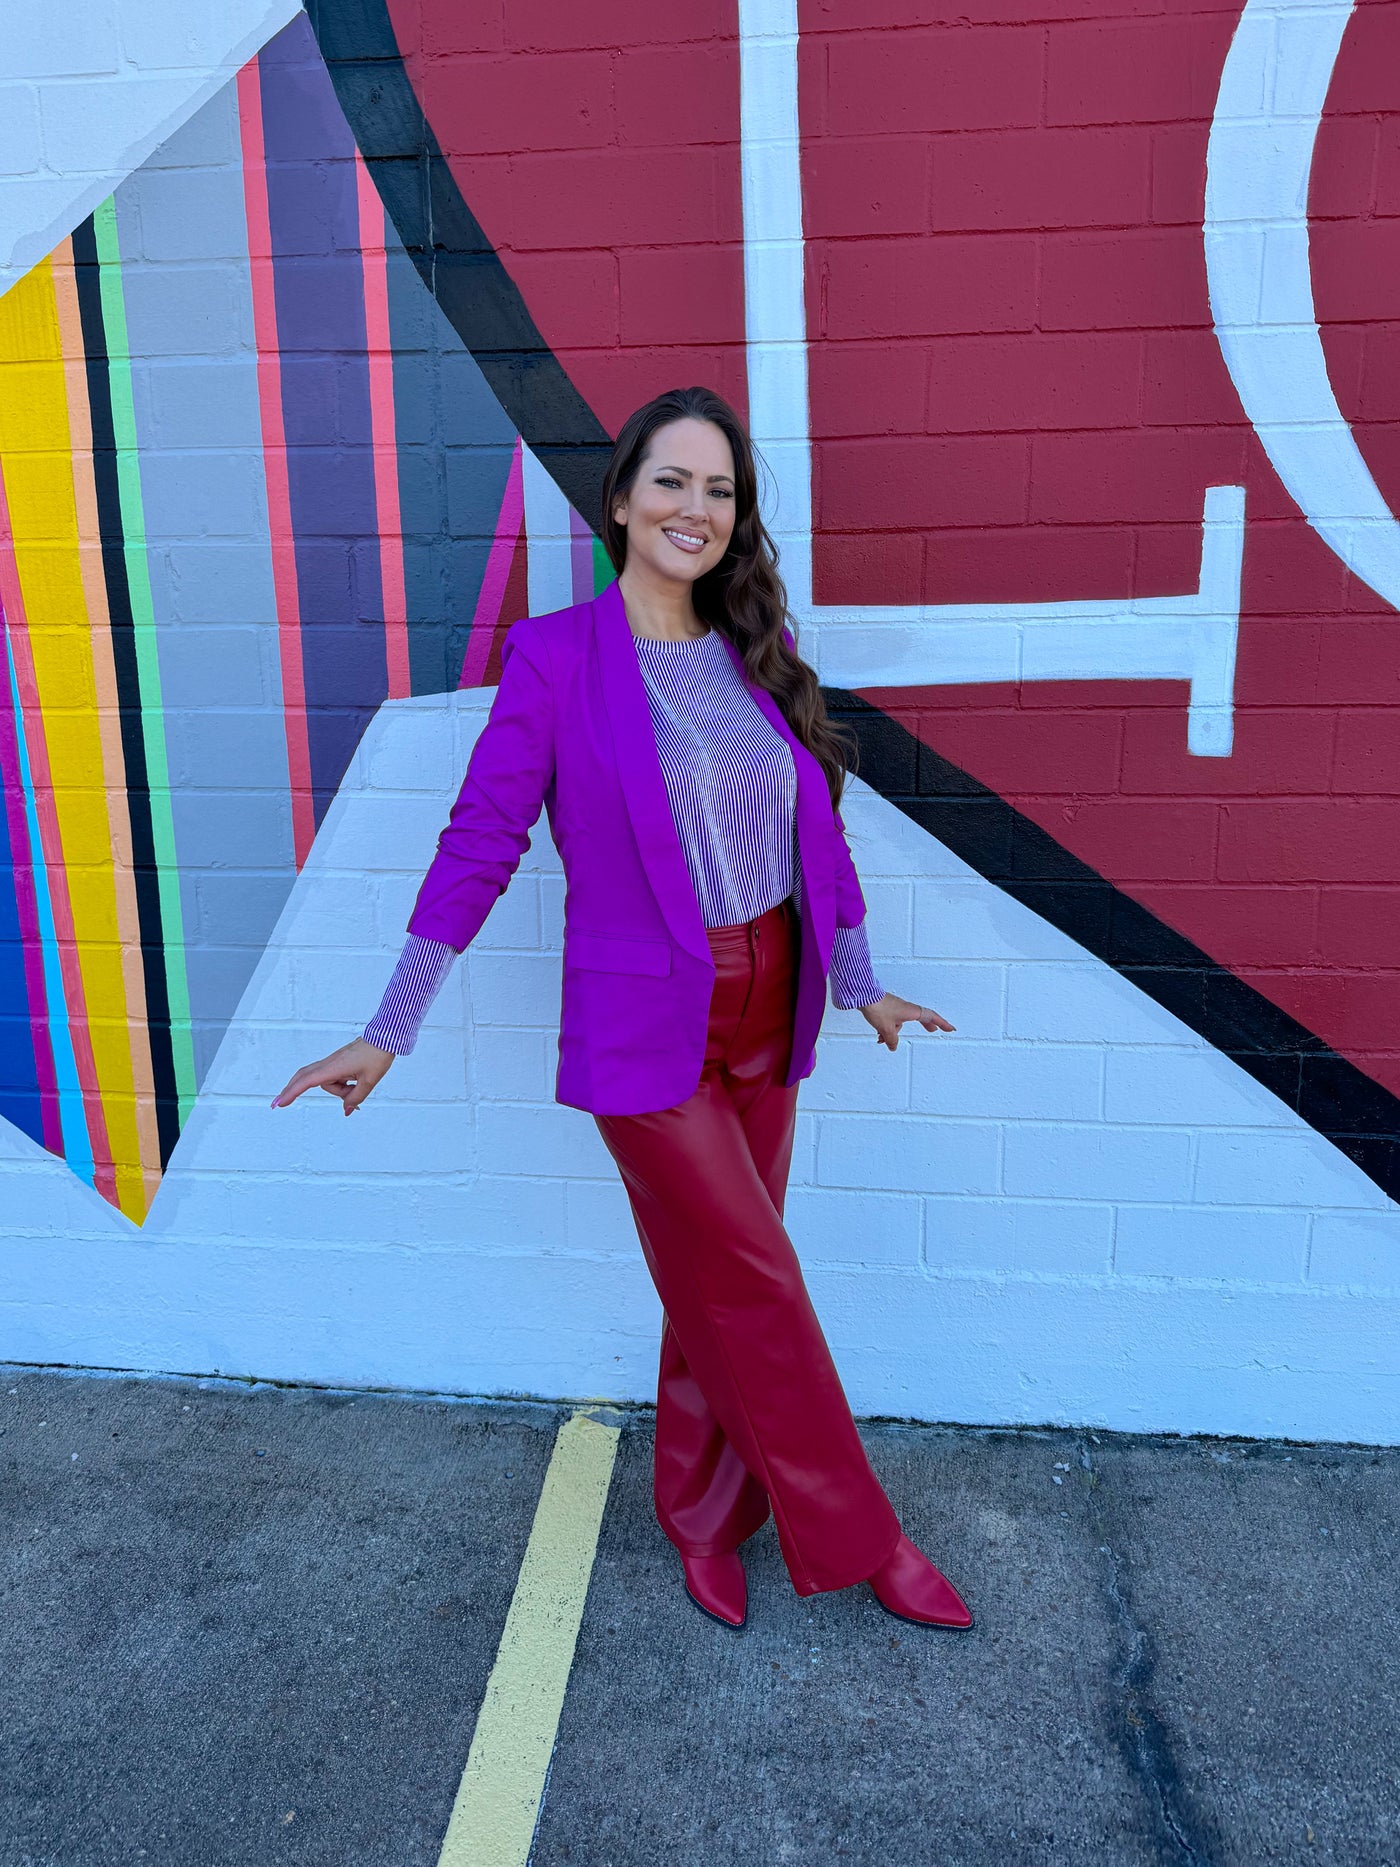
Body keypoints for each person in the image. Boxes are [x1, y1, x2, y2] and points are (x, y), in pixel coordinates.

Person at [273, 387, 971, 1632]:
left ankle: (702, 1518)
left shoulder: (757, 650)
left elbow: (814, 834)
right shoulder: (554, 658)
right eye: (671, 481)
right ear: (619, 499)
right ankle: (866, 1540)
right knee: (755, 1279)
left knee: (713, 1284)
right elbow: (480, 840)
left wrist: (859, 981)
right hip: (644, 1031)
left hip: (773, 1002)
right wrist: (390, 1026)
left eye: (719, 490)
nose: (694, 508)